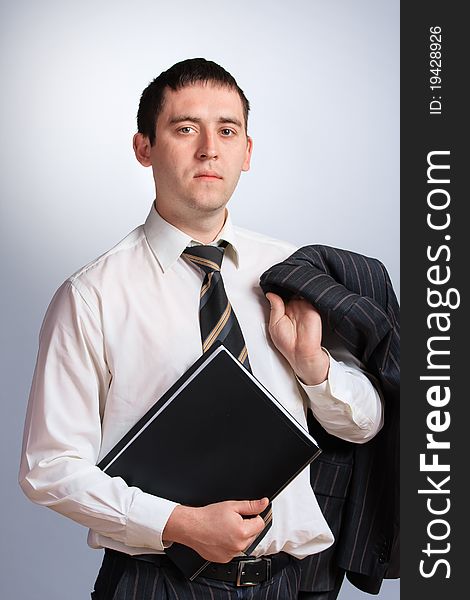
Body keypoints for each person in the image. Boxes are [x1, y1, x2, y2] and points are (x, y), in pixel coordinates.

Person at [19, 58, 383, 600]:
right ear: (144, 147)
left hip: (289, 583)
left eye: (227, 131)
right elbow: (49, 468)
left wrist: (313, 367)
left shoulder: (296, 273)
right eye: (185, 128)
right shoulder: (91, 296)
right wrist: (178, 524)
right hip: (155, 583)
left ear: (247, 151)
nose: (209, 148)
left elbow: (365, 426)